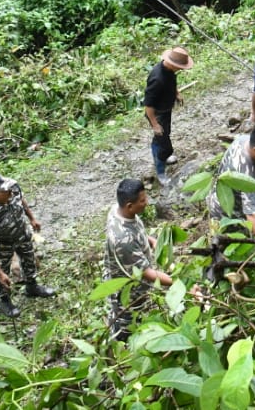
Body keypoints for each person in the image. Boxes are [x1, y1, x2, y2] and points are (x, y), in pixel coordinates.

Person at [0, 171, 55, 318]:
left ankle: (32, 286)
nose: (8, 192)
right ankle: (4, 300)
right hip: (4, 244)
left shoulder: (12, 187)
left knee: (29, 258)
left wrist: (32, 218)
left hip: (22, 233)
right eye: (3, 191)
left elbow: (22, 200)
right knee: (3, 273)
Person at [104, 178, 172, 341]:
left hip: (136, 281)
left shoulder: (118, 210)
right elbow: (147, 274)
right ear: (129, 205)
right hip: (129, 293)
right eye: (142, 200)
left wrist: (150, 240)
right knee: (127, 326)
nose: (146, 202)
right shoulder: (122, 240)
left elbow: (135, 230)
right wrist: (177, 282)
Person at [206, 124, 255, 236]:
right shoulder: (248, 178)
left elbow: (250, 158)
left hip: (215, 196)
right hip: (226, 212)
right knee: (238, 241)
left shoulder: (244, 140)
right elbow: (252, 215)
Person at [143, 46, 192, 186]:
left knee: (164, 135)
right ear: (171, 63)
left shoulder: (169, 71)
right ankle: (160, 172)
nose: (180, 69)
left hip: (166, 110)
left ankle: (160, 151)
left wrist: (176, 93)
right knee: (164, 146)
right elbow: (148, 106)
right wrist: (155, 124)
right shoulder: (157, 79)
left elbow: (171, 82)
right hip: (157, 114)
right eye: (179, 67)